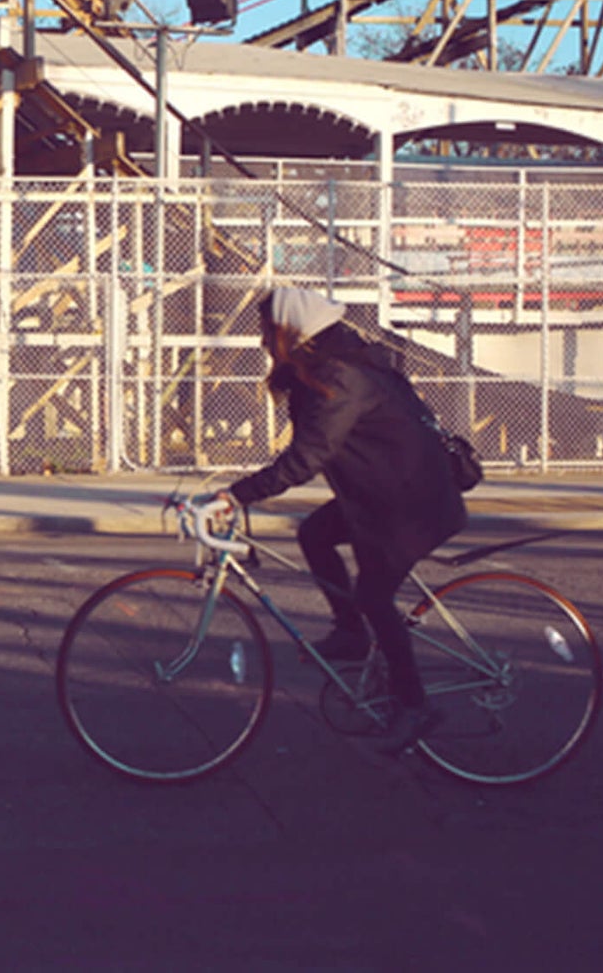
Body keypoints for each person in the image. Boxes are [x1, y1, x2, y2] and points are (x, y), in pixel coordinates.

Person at [193, 285, 468, 755]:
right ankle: (351, 633)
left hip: (412, 504)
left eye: (266, 332)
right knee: (314, 533)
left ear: (292, 333)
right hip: (383, 497)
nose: (262, 342)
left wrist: (238, 496)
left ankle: (414, 704)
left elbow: (308, 457)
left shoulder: (342, 379)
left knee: (374, 595)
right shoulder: (329, 372)